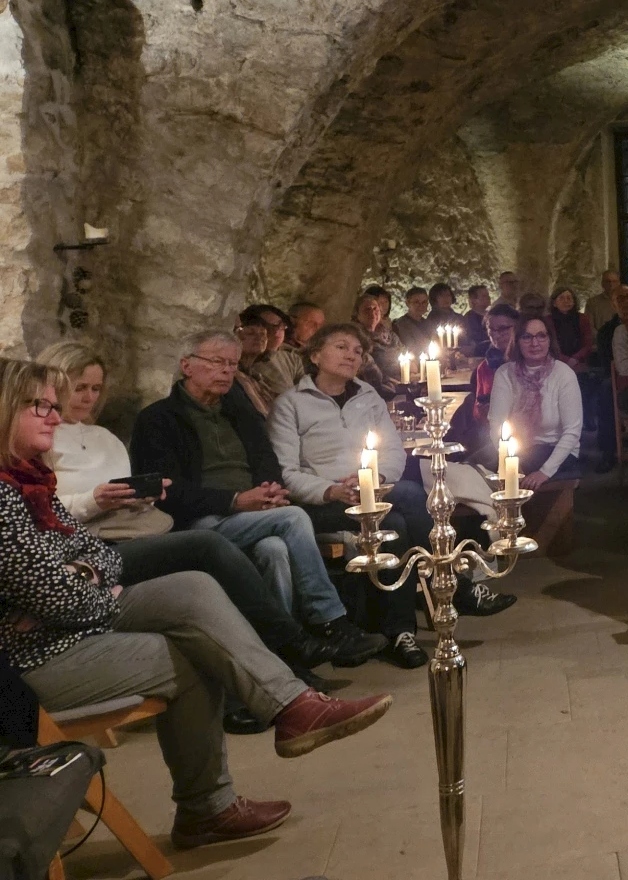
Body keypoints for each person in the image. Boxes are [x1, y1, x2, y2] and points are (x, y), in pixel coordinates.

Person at [0, 359, 395, 851]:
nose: (56, 417)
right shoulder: (4, 497)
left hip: (67, 622)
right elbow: (57, 597)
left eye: (54, 406)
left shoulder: (28, 481)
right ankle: (208, 806)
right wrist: (84, 584)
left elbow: (97, 555)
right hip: (31, 658)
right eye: (40, 406)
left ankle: (292, 705)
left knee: (192, 585)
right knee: (194, 650)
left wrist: (81, 576)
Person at [37, 342, 342, 677]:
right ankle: (306, 634)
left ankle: (284, 665)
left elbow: (264, 458)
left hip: (138, 529)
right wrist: (95, 500)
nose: (89, 397)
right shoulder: (44, 440)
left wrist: (143, 495)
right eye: (79, 387)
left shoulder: (104, 437)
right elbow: (42, 511)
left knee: (273, 548)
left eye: (96, 389)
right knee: (226, 537)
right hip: (99, 543)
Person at [130, 331, 383, 663]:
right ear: (187, 365)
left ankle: (285, 656)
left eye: (232, 364)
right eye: (217, 362)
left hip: (253, 514)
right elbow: (167, 491)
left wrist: (271, 490)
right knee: (294, 517)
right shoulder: (158, 419)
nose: (226, 371)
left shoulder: (239, 412)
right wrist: (235, 500)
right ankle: (330, 622)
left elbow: (268, 461)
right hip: (199, 522)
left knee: (273, 549)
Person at [272, 324, 513, 671]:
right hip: (323, 501)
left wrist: (377, 479)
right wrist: (330, 490)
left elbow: (393, 452)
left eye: (358, 351)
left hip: (375, 491)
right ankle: (455, 587)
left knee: (398, 520)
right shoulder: (291, 404)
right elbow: (286, 471)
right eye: (341, 347)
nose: (352, 355)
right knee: (412, 497)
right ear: (315, 355)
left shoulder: (367, 395)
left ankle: (400, 632)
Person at [486, 316, 584, 488]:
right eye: (527, 337)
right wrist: (509, 461)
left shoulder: (563, 374)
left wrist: (544, 472)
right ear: (517, 341)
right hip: (516, 448)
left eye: (541, 336)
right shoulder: (505, 373)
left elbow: (572, 431)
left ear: (549, 340)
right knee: (475, 467)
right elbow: (496, 424)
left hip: (555, 448)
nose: (535, 343)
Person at [548, 287, 595, 370]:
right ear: (554, 303)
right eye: (561, 298)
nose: (566, 301)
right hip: (555, 363)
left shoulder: (583, 319)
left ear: (574, 302)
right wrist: (566, 360)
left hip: (579, 363)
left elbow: (588, 343)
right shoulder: (548, 321)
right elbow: (549, 345)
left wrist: (575, 358)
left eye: (569, 298)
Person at [391, 287, 435, 353]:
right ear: (407, 303)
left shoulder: (429, 324)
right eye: (416, 302)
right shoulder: (400, 324)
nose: (421, 305)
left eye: (424, 302)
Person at [460, 285, 491, 356]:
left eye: (488, 295)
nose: (488, 298)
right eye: (484, 296)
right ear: (474, 300)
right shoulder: (469, 318)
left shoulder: (491, 315)